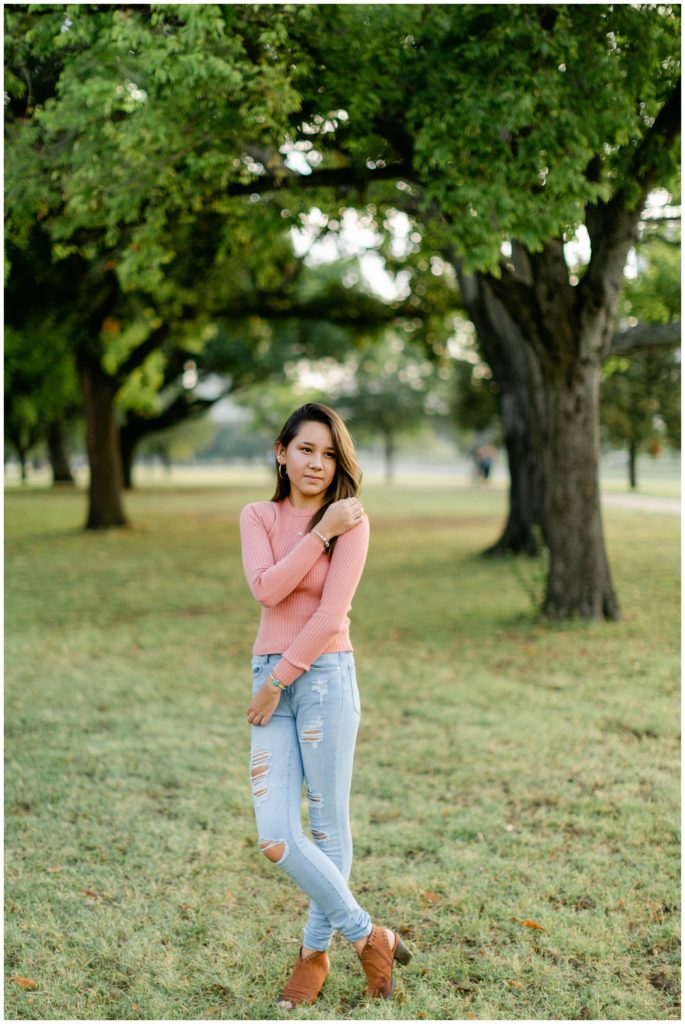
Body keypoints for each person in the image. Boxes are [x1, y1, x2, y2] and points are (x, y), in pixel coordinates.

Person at [239, 402, 412, 1010]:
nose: (317, 463)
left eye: (330, 453)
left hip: (324, 680)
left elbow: (330, 615)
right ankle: (372, 936)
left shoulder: (354, 521)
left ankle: (313, 955)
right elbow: (267, 588)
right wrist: (319, 532)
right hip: (272, 683)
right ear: (281, 453)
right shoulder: (259, 516)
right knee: (277, 835)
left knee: (327, 827)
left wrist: (280, 679)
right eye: (305, 449)